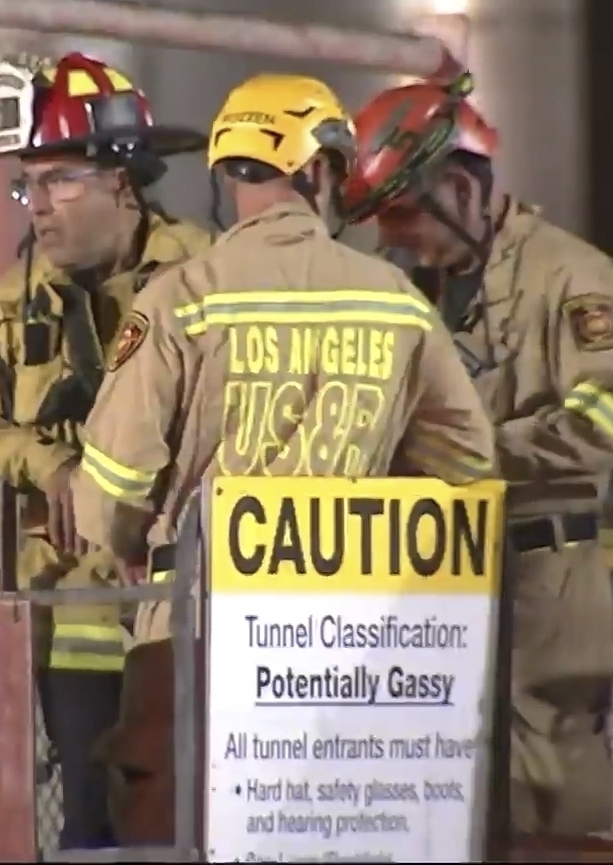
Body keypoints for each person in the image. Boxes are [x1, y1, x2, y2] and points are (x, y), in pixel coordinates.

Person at [70, 72, 498, 844]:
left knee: (176, 827)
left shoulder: (181, 297)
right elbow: (467, 469)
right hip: (350, 647)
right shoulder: (395, 300)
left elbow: (108, 491)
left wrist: (133, 547)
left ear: (227, 176)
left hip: (192, 632)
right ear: (321, 170)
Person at [342, 76, 613, 837]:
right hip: (442, 567)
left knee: (547, 771)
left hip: (545, 570)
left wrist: (474, 455)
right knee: (447, 778)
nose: (394, 236)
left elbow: (612, 420)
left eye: (405, 212)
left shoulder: (569, 276)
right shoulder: (416, 289)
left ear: (458, 183)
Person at [0, 51, 211, 850]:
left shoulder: (207, 280)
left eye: (60, 179)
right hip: (71, 616)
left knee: (190, 818)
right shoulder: (5, 307)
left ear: (123, 182)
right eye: (27, 185)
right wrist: (50, 465)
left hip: (191, 615)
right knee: (92, 827)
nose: (38, 206)